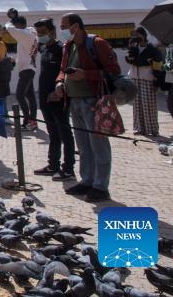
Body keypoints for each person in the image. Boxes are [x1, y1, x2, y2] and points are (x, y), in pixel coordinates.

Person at [56, 13, 121, 202]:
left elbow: (113, 71)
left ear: (75, 26)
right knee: (83, 145)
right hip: (74, 100)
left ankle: (101, 186)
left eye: (64, 26)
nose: (62, 30)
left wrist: (85, 74)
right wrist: (60, 82)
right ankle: (87, 180)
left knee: (98, 145)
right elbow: (63, 69)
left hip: (93, 101)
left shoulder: (97, 44)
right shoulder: (69, 46)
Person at [32, 18, 75, 181]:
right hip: (45, 98)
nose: (40, 35)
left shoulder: (61, 50)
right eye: (38, 33)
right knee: (53, 134)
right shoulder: (44, 49)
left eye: (43, 32)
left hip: (58, 97)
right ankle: (53, 165)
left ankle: (68, 168)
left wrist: (58, 92)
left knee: (65, 133)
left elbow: (66, 73)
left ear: (52, 31)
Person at [125, 26, 163, 137]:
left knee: (148, 105)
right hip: (135, 79)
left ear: (144, 36)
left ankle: (153, 129)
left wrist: (156, 82)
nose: (136, 37)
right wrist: (131, 49)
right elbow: (129, 60)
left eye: (138, 35)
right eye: (135, 35)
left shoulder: (153, 50)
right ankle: (139, 128)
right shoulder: (133, 48)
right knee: (137, 105)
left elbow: (157, 67)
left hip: (148, 79)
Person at [6, 11, 39, 131]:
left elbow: (9, 28)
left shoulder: (26, 34)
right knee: (30, 97)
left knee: (20, 95)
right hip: (28, 68)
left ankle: (28, 121)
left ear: (20, 25)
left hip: (26, 69)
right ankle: (32, 122)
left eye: (16, 26)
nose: (15, 29)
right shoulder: (31, 33)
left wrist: (11, 19)